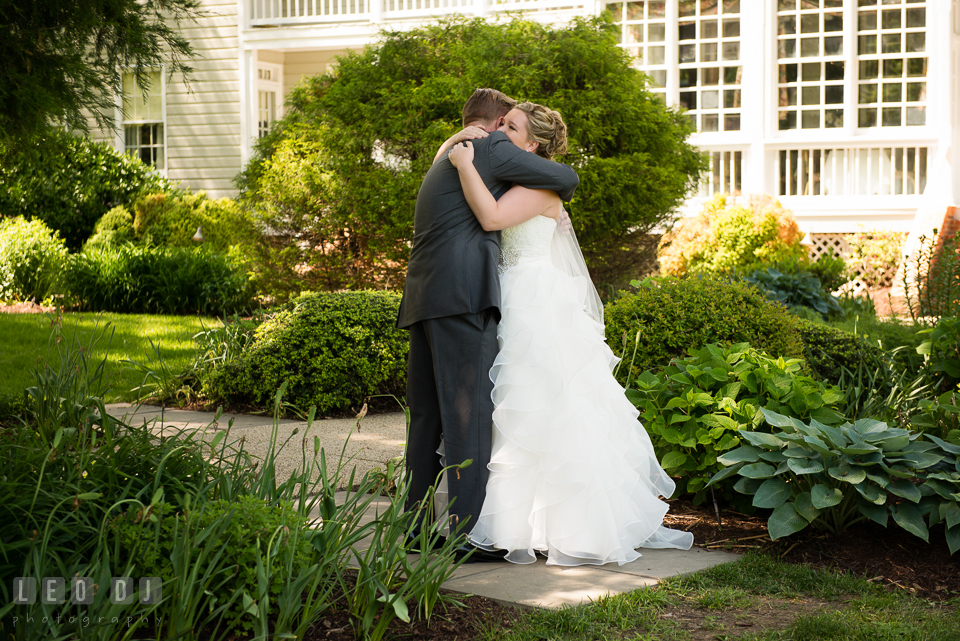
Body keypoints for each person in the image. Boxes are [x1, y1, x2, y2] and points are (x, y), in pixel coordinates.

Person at [446, 102, 694, 566]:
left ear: (531, 144)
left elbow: (492, 220)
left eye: (511, 126)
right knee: (521, 406)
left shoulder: (539, 187)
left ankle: (552, 524)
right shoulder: (524, 182)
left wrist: (462, 163)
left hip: (532, 298)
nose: (500, 129)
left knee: (539, 403)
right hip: (515, 291)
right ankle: (520, 522)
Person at [397, 89, 580, 558]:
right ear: (495, 122)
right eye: (507, 123)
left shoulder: (456, 155)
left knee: (426, 419)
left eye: (511, 128)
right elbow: (568, 176)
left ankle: (415, 528)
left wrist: (455, 142)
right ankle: (469, 536)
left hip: (423, 293)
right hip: (462, 296)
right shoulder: (492, 147)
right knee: (469, 419)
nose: (503, 132)